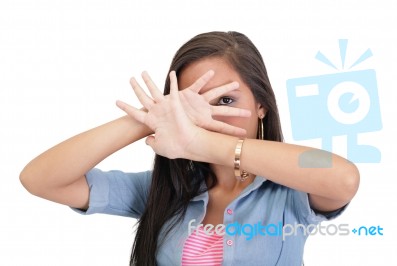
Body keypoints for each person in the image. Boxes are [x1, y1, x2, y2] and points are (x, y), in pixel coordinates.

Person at [20, 31, 359, 266]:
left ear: (262, 106)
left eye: (225, 100)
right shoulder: (163, 191)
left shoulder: (289, 191)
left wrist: (202, 142)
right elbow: (41, 179)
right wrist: (152, 118)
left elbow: (344, 178)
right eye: (192, 104)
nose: (208, 116)